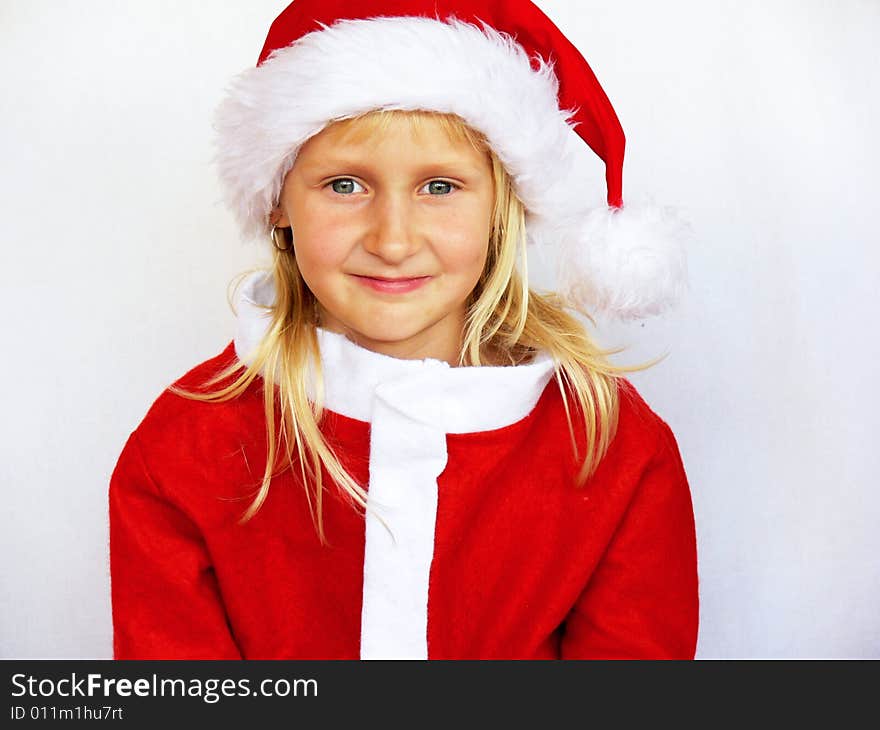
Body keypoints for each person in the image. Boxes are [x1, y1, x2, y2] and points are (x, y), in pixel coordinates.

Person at [109, 0, 698, 659]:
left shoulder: (614, 449)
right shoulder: (181, 448)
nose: (393, 241)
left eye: (440, 187)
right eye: (344, 184)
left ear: (505, 204)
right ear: (277, 200)